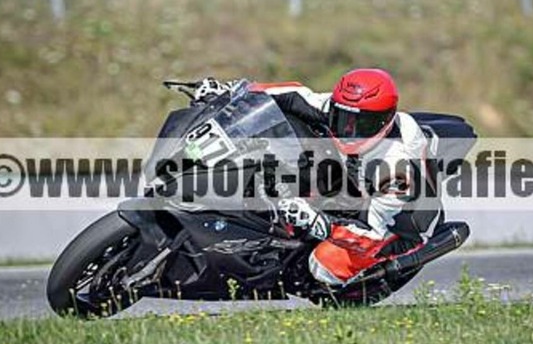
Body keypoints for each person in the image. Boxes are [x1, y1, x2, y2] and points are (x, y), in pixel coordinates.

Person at [194, 69, 457, 286]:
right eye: (342, 118)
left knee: (322, 267)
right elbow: (294, 95)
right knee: (295, 129)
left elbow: (372, 234)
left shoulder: (394, 169)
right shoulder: (341, 108)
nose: (348, 130)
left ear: (384, 121)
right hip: (355, 179)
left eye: (360, 125)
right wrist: (233, 91)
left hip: (396, 226)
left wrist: (318, 222)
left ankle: (359, 276)